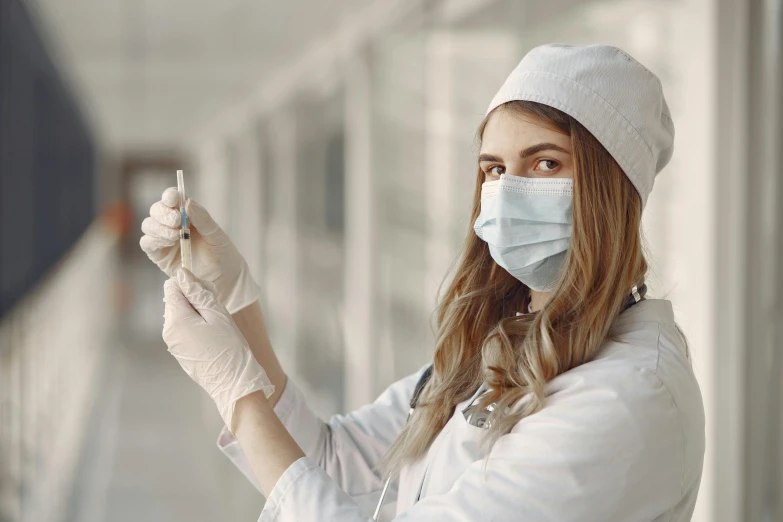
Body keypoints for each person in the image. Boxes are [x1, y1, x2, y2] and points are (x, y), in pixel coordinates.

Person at [140, 44, 705, 521]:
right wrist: (236, 300)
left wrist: (237, 394)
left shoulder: (628, 397)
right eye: (495, 169)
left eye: (547, 163)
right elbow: (337, 461)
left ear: (613, 191)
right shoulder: (504, 342)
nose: (508, 191)